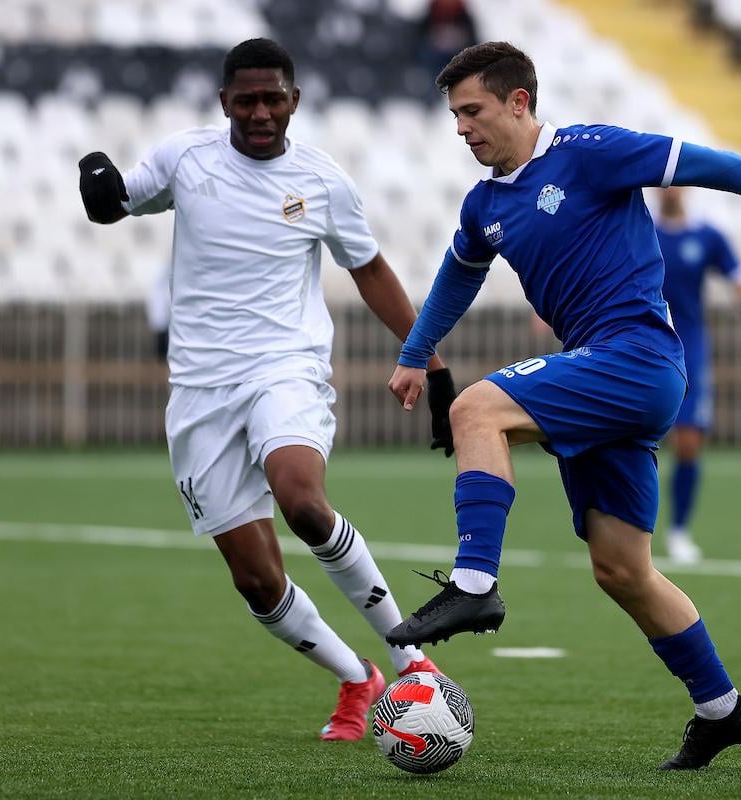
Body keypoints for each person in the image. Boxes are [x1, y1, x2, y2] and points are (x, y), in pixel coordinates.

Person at [383, 41, 741, 770]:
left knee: (477, 410)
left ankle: (475, 584)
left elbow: (709, 164)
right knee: (622, 570)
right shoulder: (485, 203)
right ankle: (722, 709)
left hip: (635, 357)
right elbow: (458, 274)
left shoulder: (590, 151)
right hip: (605, 374)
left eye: (472, 111)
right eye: (454, 115)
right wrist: (416, 351)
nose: (461, 128)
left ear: (519, 102)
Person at [76, 38, 456, 741]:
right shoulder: (185, 160)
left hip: (287, 367)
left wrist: (429, 361)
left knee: (302, 500)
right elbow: (120, 200)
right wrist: (98, 184)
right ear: (224, 102)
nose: (259, 112)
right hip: (199, 391)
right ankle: (357, 679)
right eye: (245, 100)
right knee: (255, 579)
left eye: (272, 98)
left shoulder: (323, 179)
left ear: (294, 101)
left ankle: (410, 660)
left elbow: (369, 269)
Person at [654, 186, 741, 565]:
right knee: (628, 439)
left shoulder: (707, 236)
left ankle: (678, 531)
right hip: (644, 342)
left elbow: (739, 281)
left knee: (689, 442)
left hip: (689, 347)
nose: (669, 189)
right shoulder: (641, 229)